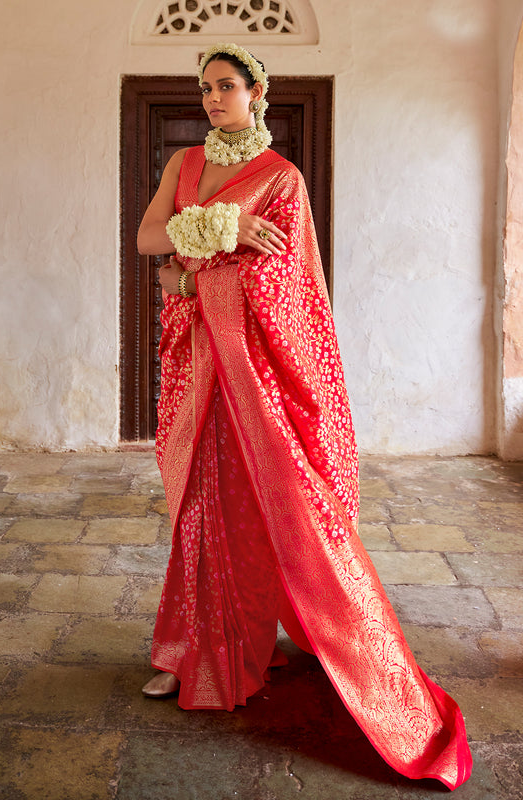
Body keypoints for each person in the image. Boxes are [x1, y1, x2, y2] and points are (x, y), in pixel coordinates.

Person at [136, 42, 472, 791]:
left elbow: (283, 293)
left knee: (259, 510)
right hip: (197, 370)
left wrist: (189, 277)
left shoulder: (283, 182)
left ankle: (242, 654)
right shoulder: (183, 168)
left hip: (256, 377)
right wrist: (217, 235)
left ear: (258, 93)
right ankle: (192, 650)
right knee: (196, 506)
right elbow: (147, 240)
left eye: (227, 86)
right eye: (205, 88)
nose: (214, 98)